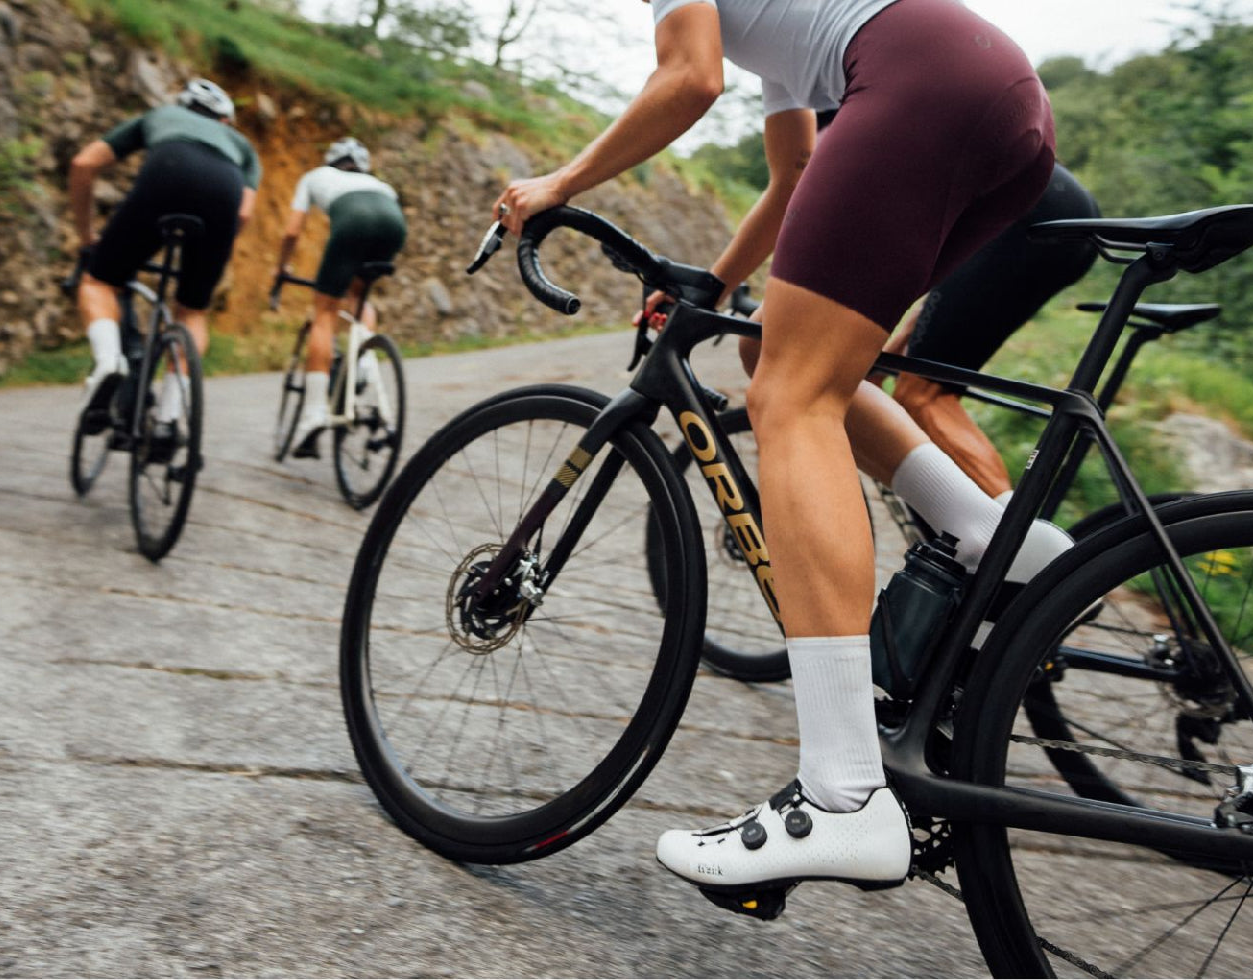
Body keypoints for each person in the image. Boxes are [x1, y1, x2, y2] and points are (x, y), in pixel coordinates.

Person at [495, 0, 1070, 899]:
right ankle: (989, 533)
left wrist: (557, 185)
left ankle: (841, 796)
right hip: (1003, 98)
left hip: (923, 82)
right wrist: (720, 281)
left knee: (789, 400)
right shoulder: (789, 30)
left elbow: (689, 79)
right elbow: (797, 168)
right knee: (781, 349)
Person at [883, 162, 1100, 500]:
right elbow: (942, 297)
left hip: (1031, 217)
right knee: (921, 377)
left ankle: (1016, 542)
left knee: (920, 396)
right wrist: (883, 362)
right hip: (1055, 208)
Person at [69, 78, 259, 439]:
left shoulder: (162, 115)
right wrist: (208, 255)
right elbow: (245, 215)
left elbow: (83, 163)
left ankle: (109, 363)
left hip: (167, 170)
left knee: (99, 280)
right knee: (192, 310)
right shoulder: (242, 146)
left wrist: (87, 236)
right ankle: (169, 419)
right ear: (225, 121)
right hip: (225, 190)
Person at [276, 137, 408, 458]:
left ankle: (313, 415)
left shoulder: (315, 176)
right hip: (393, 222)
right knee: (359, 296)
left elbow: (293, 232)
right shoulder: (378, 183)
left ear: (331, 161)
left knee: (324, 312)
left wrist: (281, 267)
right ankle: (364, 362)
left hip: (352, 221)